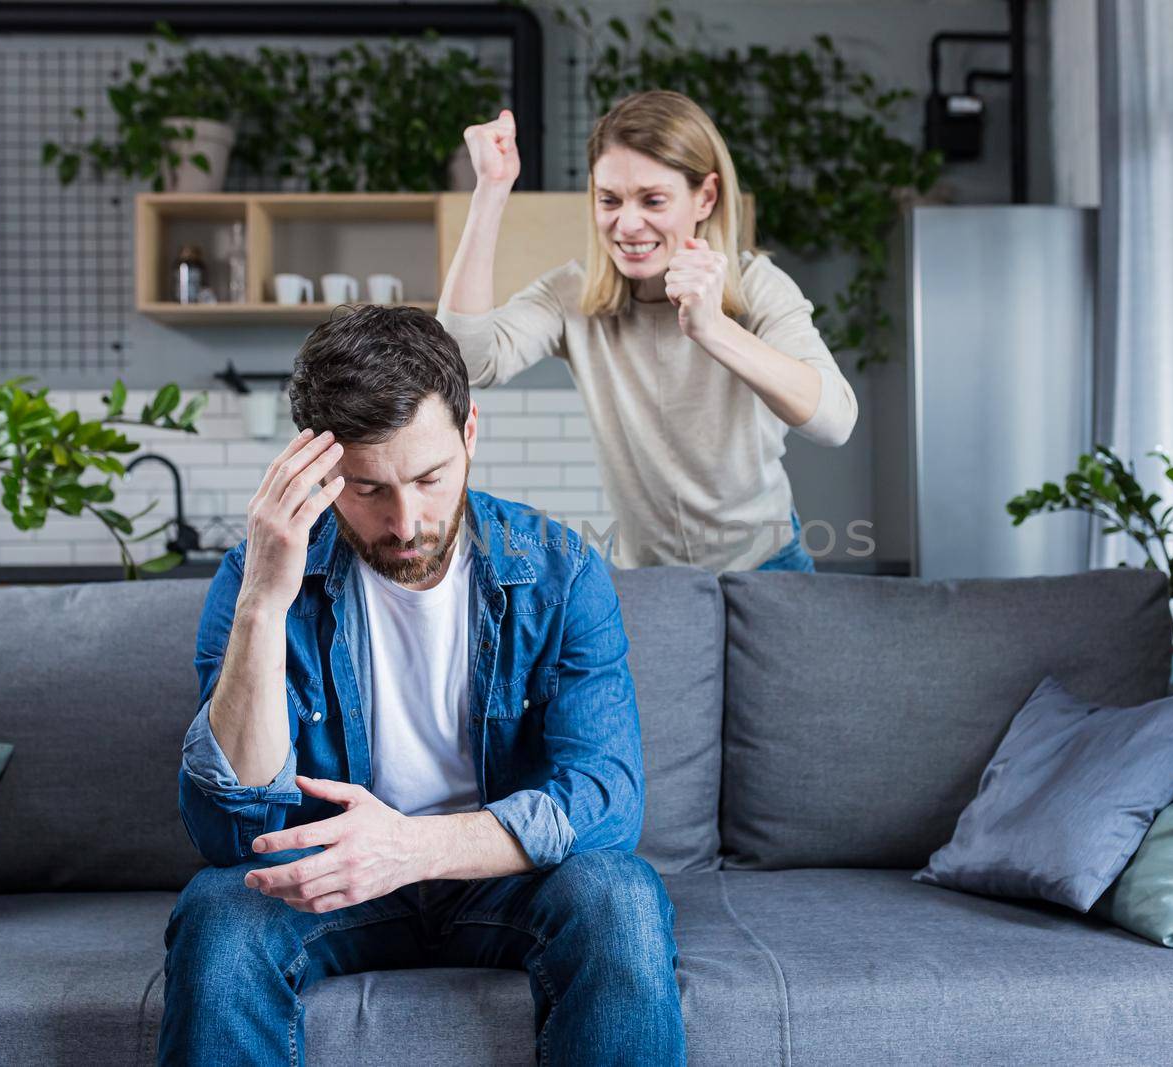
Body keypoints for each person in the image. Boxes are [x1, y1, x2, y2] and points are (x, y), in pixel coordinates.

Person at [158, 306, 685, 1065]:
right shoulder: (256, 575)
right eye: (368, 489)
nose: (405, 522)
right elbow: (228, 833)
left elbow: (606, 799)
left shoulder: (561, 570)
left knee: (620, 897)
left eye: (431, 477)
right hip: (336, 886)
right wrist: (265, 607)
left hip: (499, 880)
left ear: (470, 434)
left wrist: (411, 848)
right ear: (317, 471)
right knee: (220, 913)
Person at [438, 89, 858, 574]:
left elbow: (834, 421)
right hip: (650, 576)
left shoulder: (758, 288)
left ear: (706, 197)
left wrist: (713, 328)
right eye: (609, 200)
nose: (627, 223)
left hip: (768, 562)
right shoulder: (571, 294)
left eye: (653, 200)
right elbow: (466, 363)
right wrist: (490, 191)